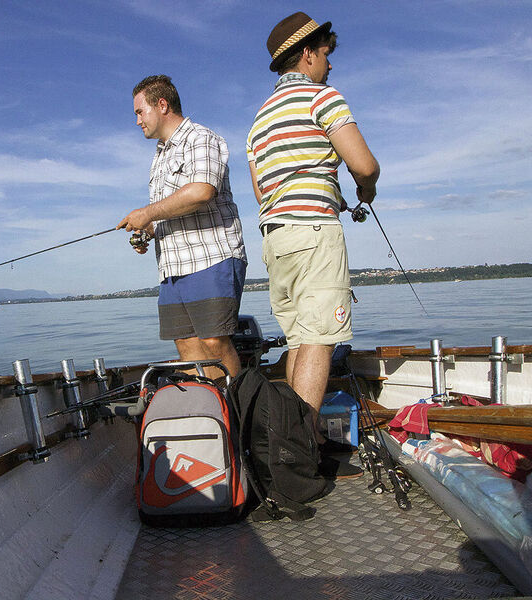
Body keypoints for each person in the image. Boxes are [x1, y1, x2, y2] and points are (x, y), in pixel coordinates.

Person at [247, 13, 380, 476]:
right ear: (307, 54)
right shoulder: (322, 97)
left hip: (276, 240)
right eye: (325, 54)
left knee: (301, 340)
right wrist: (366, 189)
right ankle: (297, 460)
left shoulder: (259, 120)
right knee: (321, 340)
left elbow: (263, 193)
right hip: (316, 234)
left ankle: (299, 444)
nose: (328, 64)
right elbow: (363, 164)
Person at [118, 75, 247, 378]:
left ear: (161, 105)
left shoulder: (200, 138)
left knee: (215, 342)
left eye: (140, 112)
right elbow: (169, 212)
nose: (137, 120)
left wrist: (147, 212)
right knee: (187, 348)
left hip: (211, 259)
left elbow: (202, 191)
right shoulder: (159, 156)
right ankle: (211, 418)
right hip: (172, 268)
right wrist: (146, 230)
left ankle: (238, 417)